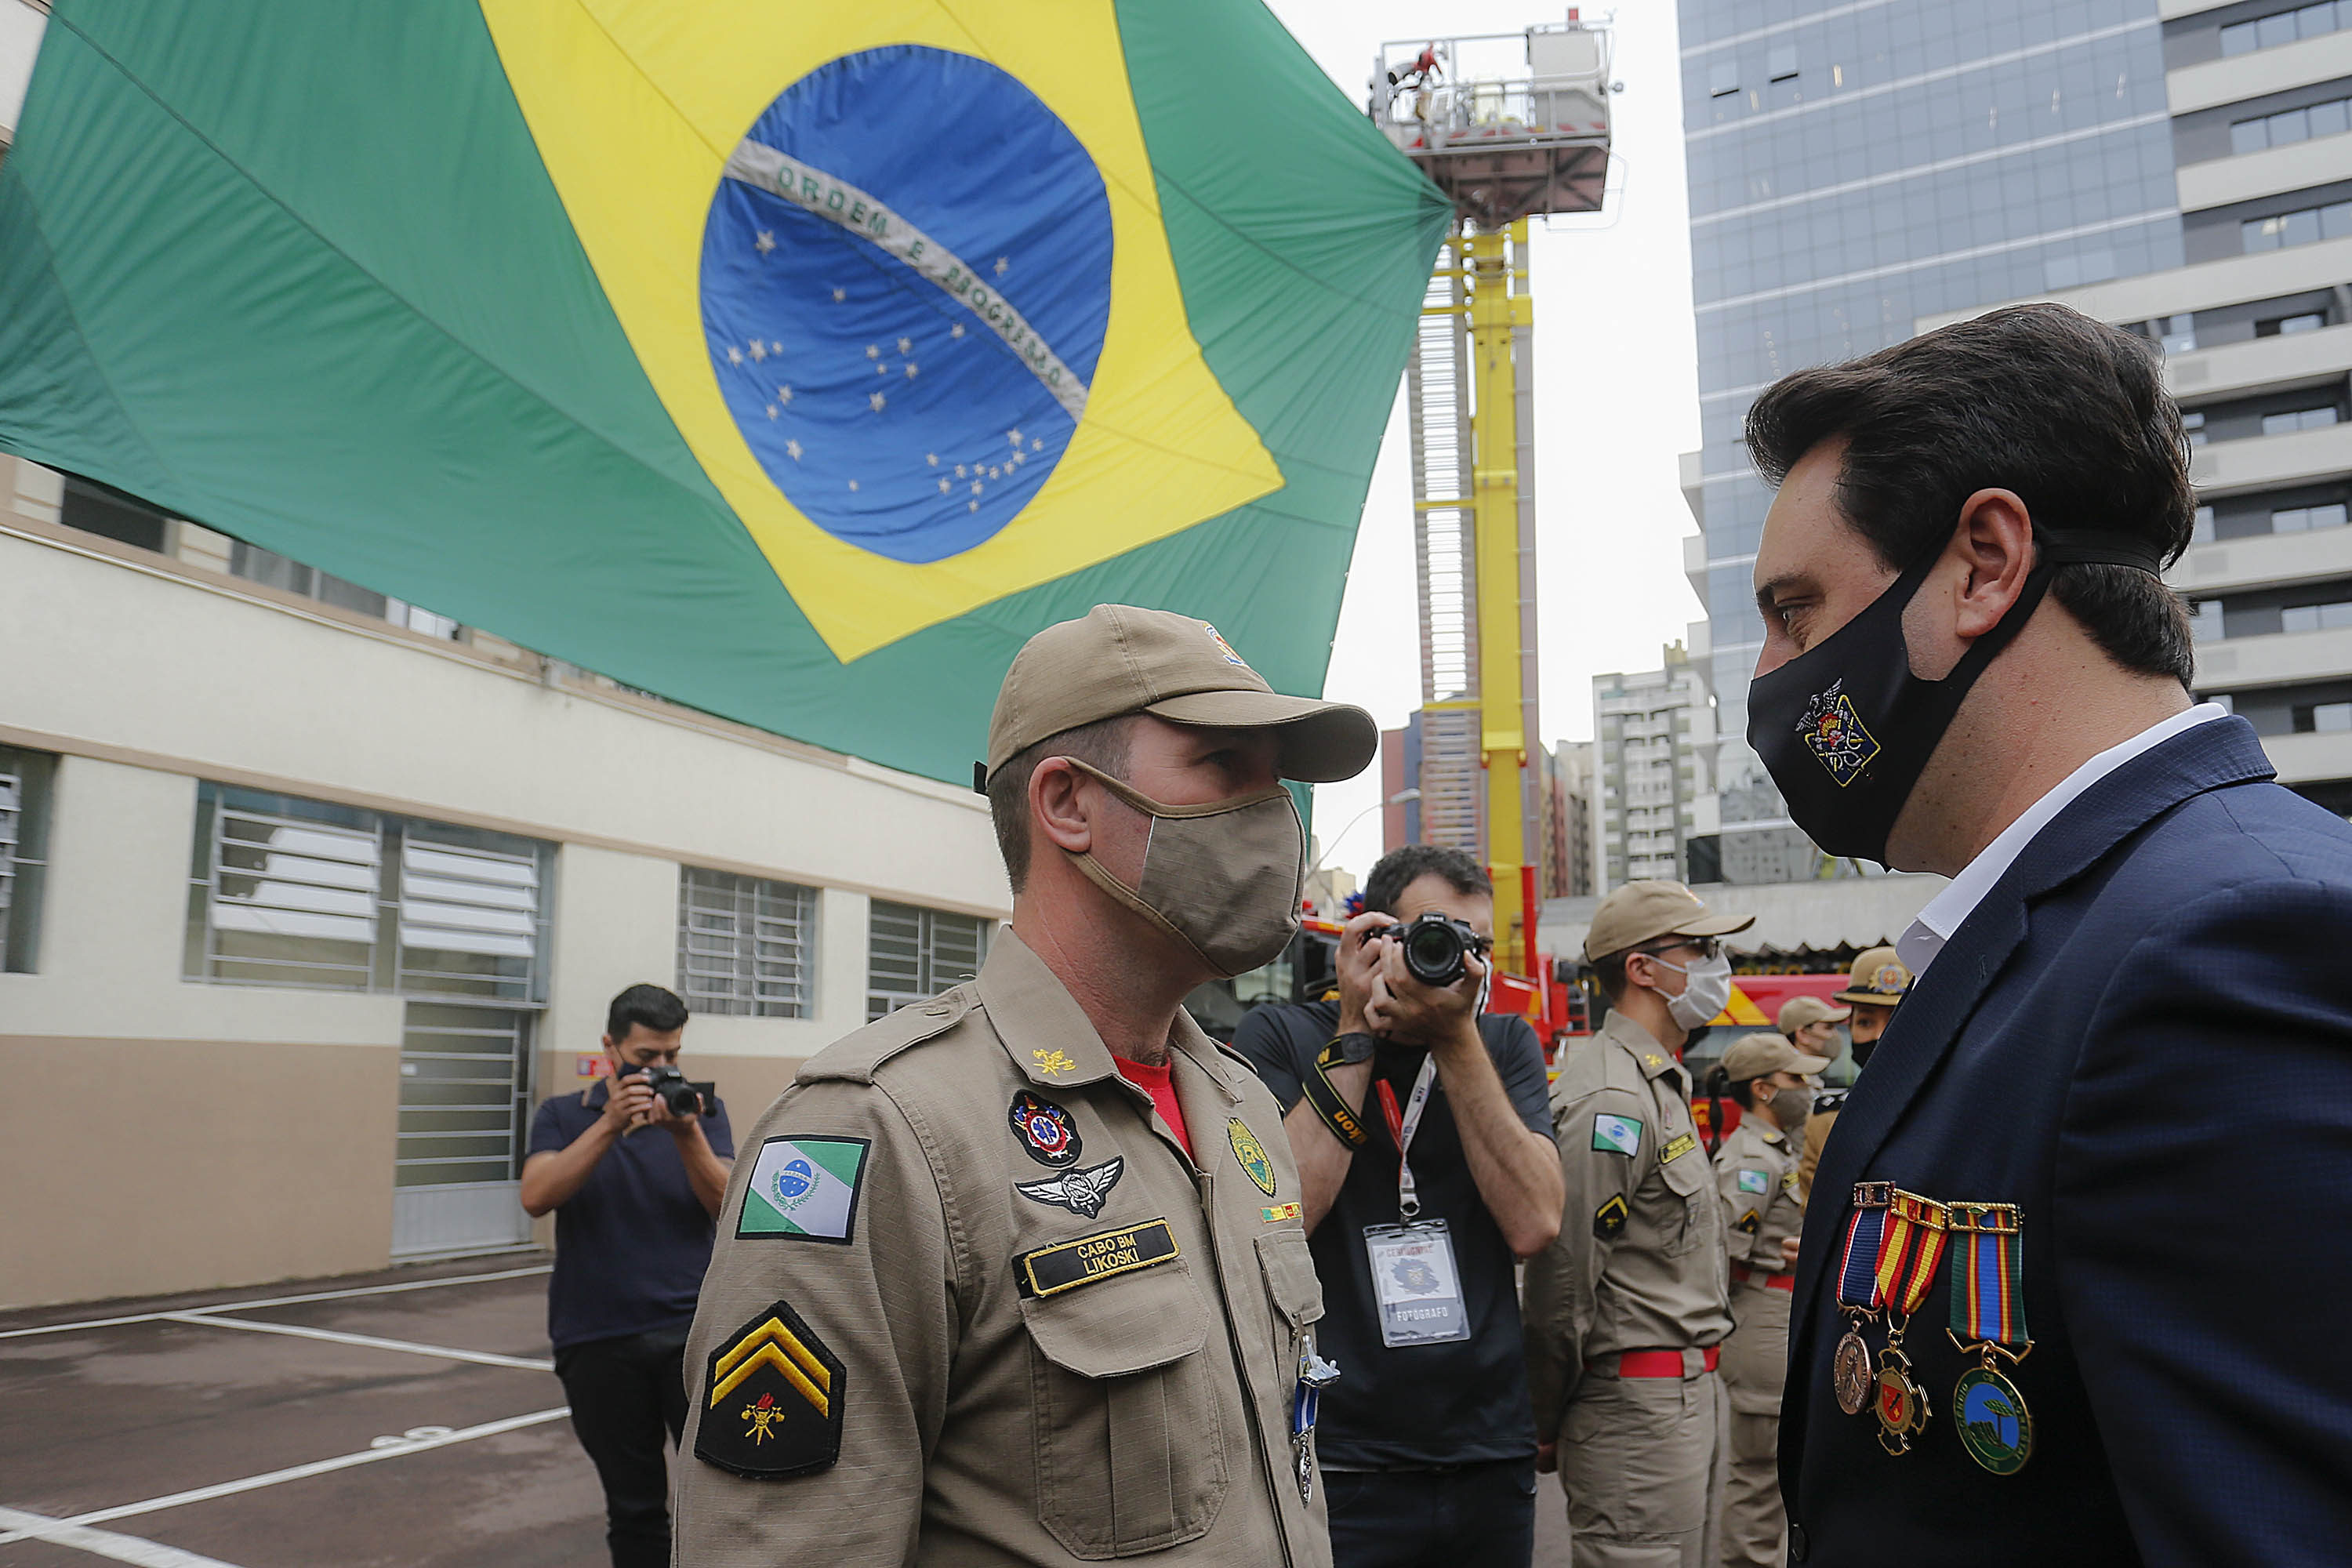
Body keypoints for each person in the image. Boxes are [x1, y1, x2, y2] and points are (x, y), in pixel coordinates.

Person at [1744, 303, 2352, 1563]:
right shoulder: (2093, 925)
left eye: (1797, 613)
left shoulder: (2221, 953)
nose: (1768, 678)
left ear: (1984, 564)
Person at [673, 604, 1377, 1566]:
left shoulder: (1240, 1102)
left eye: (1277, 781)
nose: (1275, 817)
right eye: (1226, 767)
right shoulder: (886, 1128)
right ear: (1067, 803)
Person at [1230, 844, 1563, 1568]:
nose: (1458, 961)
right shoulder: (1284, 1035)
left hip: (1486, 1449)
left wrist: (1455, 1036)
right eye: (1433, 936)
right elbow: (1285, 1213)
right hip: (1341, 1449)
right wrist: (1354, 1028)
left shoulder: (1503, 1043)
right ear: (1374, 936)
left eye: (1475, 945)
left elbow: (1535, 1222)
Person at [1523, 880, 1751, 1568]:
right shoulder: (1610, 1098)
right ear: (1642, 969)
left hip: (1681, 1398)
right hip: (1634, 1410)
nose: (1719, 966)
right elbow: (1563, 1283)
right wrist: (1544, 1416)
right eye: (1703, 948)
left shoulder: (1656, 1082)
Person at [520, 982, 735, 1568]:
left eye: (672, 1056)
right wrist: (611, 1124)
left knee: (724, 1498)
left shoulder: (702, 1114)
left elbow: (732, 1209)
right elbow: (537, 1196)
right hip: (597, 1339)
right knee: (634, 1507)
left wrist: (686, 1133)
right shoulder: (564, 1115)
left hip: (693, 1337)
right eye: (645, 1059)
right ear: (611, 1048)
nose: (661, 1069)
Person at [1703, 1033, 1828, 1568]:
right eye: (1796, 1079)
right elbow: (1717, 1255)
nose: (1810, 1087)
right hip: (1762, 1323)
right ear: (1763, 1090)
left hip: (1783, 1316)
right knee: (1758, 1478)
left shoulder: (1778, 1147)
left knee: (1781, 1473)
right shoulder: (1750, 1160)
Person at [1793, 948, 1909, 1200]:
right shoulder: (1826, 1120)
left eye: (1896, 1021)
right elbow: (1814, 1208)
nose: (1879, 1037)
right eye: (1865, 1023)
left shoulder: (1950, 1113)